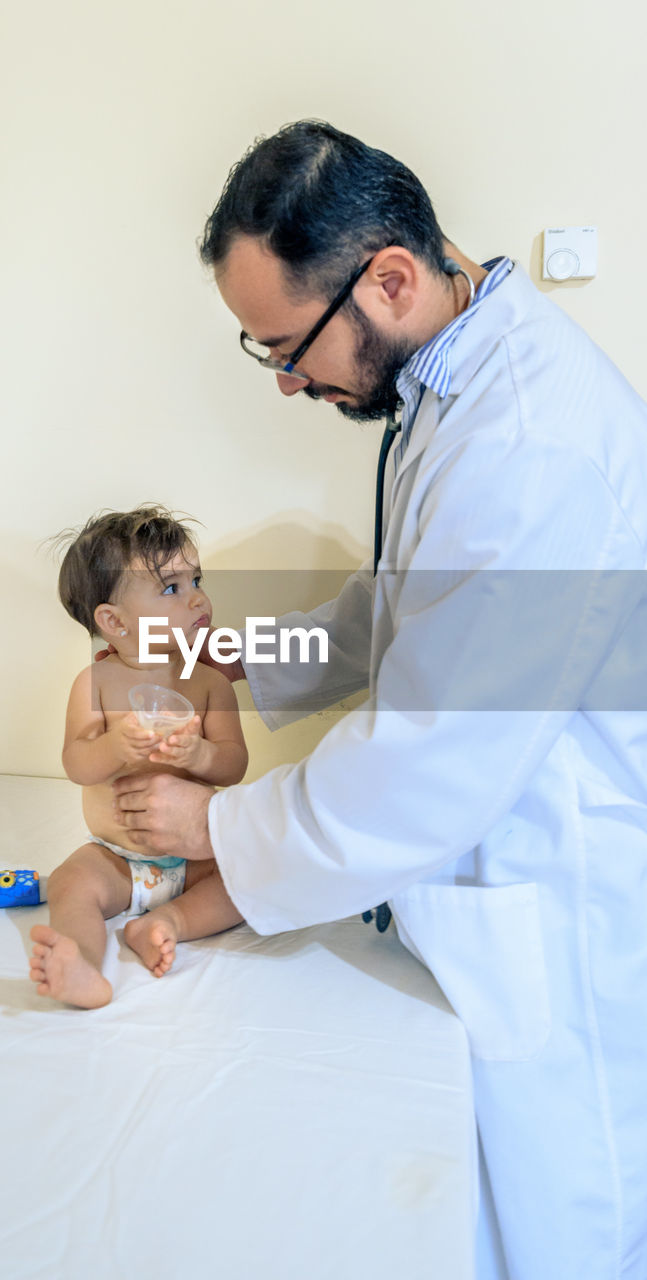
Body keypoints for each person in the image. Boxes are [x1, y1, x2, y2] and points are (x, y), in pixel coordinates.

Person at [110, 122, 647, 1279]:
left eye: (288, 349)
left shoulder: (532, 441)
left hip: (558, 895)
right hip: (481, 873)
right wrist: (252, 651)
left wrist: (216, 825)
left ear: (389, 279)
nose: (292, 381)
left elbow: (433, 753)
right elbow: (403, 597)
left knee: (560, 1224)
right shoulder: (453, 385)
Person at [29, 505, 248, 1009]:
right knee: (70, 884)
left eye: (196, 579)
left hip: (196, 857)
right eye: (171, 588)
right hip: (116, 859)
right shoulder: (96, 683)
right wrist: (113, 745)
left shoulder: (210, 682)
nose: (198, 597)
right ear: (114, 621)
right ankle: (81, 965)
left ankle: (165, 923)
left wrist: (200, 754)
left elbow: (234, 765)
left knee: (248, 878)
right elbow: (76, 763)